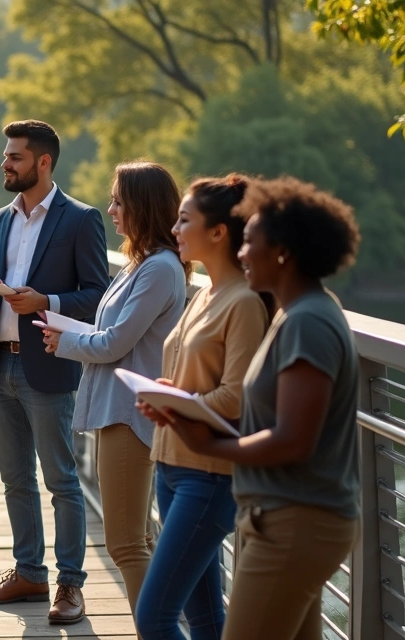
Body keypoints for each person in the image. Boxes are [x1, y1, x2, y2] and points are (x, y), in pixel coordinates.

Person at [156, 177, 362, 640]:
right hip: (282, 516)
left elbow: (293, 439)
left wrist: (210, 443)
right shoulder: (298, 312)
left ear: (283, 251)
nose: (242, 253)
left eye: (250, 242)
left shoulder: (308, 322)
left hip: (295, 523)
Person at [0, 120, 109, 625]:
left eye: (16, 157)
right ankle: (29, 573)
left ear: (43, 162)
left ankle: (70, 585)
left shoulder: (81, 219)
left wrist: (46, 301)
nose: (5, 163)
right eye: (6, 155)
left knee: (61, 481)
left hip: (47, 366)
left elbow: (97, 296)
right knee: (14, 481)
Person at [41, 161, 188, 621]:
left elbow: (115, 343)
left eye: (119, 201)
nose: (111, 210)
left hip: (128, 414)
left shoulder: (159, 269)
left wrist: (64, 341)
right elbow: (113, 331)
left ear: (143, 207)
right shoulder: (140, 263)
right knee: (138, 538)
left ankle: (158, 633)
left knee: (125, 544)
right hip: (118, 410)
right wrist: (70, 330)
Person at [131, 175, 269, 640]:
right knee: (207, 622)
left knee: (153, 618)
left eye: (185, 220)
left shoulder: (244, 302)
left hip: (208, 477)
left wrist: (176, 404)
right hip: (171, 467)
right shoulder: (204, 292)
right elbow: (197, 379)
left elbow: (237, 395)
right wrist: (169, 394)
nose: (174, 229)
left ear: (219, 232)